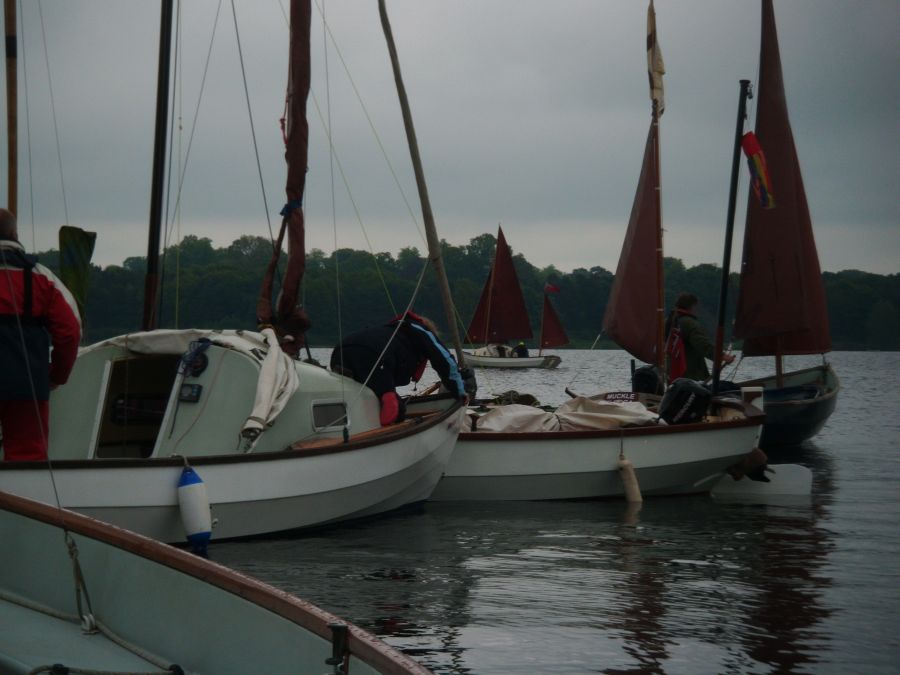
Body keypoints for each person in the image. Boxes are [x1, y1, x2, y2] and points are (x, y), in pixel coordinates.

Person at [0, 208, 82, 461]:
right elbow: (70, 333)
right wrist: (56, 376)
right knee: (27, 456)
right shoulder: (42, 277)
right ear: (15, 234)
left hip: (25, 384)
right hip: (27, 384)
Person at [330, 311, 476, 425]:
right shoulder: (422, 330)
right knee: (393, 405)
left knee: (361, 395)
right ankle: (386, 428)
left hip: (339, 352)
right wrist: (460, 392)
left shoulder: (389, 330)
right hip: (374, 356)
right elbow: (444, 359)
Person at [664, 292, 734, 382]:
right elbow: (702, 344)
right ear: (692, 306)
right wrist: (721, 356)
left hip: (671, 373)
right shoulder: (689, 323)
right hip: (688, 374)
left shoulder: (668, 322)